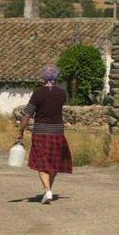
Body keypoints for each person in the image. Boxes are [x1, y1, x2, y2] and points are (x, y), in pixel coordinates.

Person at [17, 64, 73, 203]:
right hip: (57, 132)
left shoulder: (38, 93)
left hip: (41, 132)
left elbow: (27, 114)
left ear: (43, 77)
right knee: (54, 162)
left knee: (41, 163)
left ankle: (48, 191)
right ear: (56, 77)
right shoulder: (61, 94)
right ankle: (47, 191)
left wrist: (20, 131)